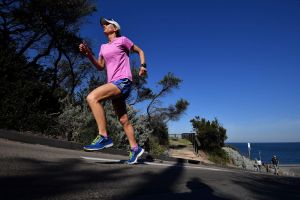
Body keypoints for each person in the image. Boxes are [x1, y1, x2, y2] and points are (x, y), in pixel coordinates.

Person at [79, 17, 147, 164]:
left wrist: (143, 66)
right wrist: (88, 54)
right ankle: (135, 149)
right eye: (103, 24)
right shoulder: (103, 47)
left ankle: (103, 136)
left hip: (123, 81)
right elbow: (100, 66)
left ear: (115, 28)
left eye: (107, 24)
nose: (104, 26)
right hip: (113, 83)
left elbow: (140, 50)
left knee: (92, 98)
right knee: (123, 120)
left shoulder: (123, 40)